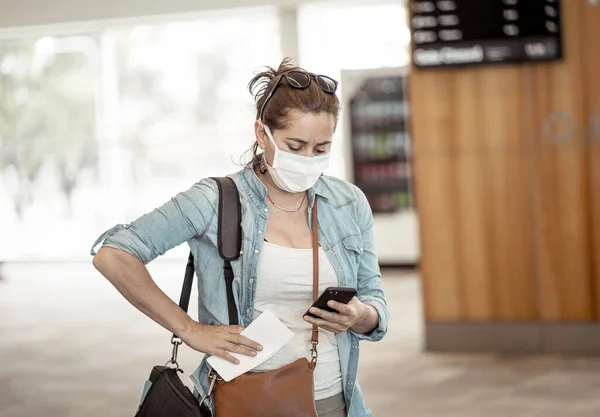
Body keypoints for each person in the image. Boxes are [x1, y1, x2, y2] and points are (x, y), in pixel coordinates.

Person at [90, 58, 389, 417]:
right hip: (246, 402)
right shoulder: (214, 200)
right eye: (295, 146)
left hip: (337, 402)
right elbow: (114, 254)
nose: (309, 160)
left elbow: (374, 302)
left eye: (321, 149)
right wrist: (188, 329)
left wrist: (359, 315)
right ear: (262, 134)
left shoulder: (348, 203)